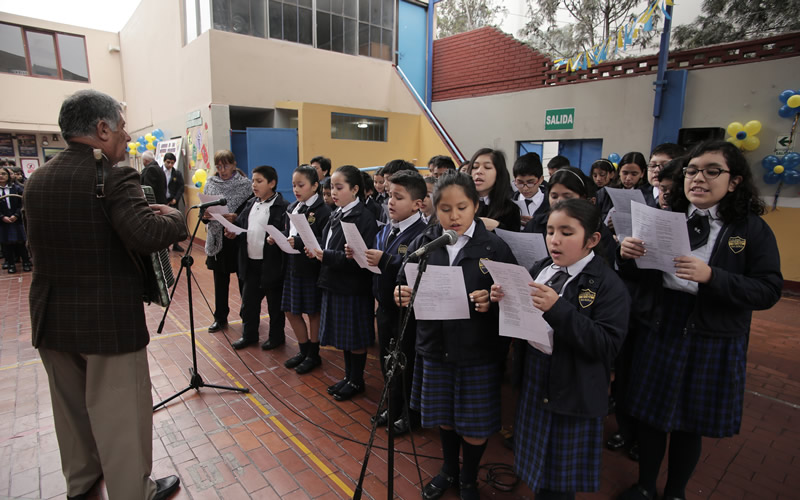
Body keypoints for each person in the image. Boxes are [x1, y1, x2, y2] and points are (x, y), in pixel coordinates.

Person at [23, 89, 185, 500]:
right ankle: (133, 491)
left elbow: (35, 248)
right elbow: (146, 235)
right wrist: (176, 221)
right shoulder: (114, 175)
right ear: (101, 128)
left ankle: (81, 484)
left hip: (52, 316)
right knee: (121, 414)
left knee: (70, 411)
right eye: (123, 127)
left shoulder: (37, 181)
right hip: (109, 321)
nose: (127, 137)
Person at [616, 141, 782, 500]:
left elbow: (768, 289)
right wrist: (627, 255)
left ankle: (676, 492)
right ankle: (645, 486)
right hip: (662, 323)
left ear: (734, 181)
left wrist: (712, 277)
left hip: (712, 333)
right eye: (691, 171)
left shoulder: (750, 229)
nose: (698, 179)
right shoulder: (667, 218)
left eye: (712, 171)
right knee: (650, 415)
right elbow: (644, 276)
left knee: (689, 423)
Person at [491, 198, 630, 500]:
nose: (555, 240)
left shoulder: (608, 285)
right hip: (537, 377)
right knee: (536, 465)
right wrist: (504, 296)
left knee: (559, 479)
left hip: (573, 389)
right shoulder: (542, 268)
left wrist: (558, 309)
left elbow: (607, 345)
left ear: (592, 239)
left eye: (567, 232)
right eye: (551, 230)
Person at [395, 172, 516, 500]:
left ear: (475, 206)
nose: (454, 215)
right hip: (435, 346)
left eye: (462, 207)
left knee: (474, 424)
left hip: (477, 351)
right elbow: (403, 276)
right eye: (445, 208)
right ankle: (448, 468)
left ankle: (467, 479)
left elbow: (516, 299)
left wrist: (492, 300)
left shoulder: (494, 247)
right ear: (435, 209)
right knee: (445, 417)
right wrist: (402, 293)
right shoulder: (427, 242)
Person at [363, 170, 428, 435]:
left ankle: (410, 414)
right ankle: (393, 404)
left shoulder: (422, 235)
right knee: (387, 360)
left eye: (398, 197)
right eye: (389, 195)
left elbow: (416, 267)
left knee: (406, 363)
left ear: (417, 204)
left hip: (408, 313)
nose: (390, 201)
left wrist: (385, 260)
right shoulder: (389, 229)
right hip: (385, 306)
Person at [307, 165, 379, 402]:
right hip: (335, 281)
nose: (334, 193)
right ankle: (349, 377)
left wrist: (325, 255)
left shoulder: (363, 218)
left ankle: (357, 380)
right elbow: (329, 243)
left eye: (340, 188)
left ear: (355, 189)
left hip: (353, 287)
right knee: (344, 338)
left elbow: (360, 259)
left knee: (354, 338)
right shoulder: (337, 212)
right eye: (332, 188)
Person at [224, 165, 289, 350]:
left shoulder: (282, 207)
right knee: (249, 303)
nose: (254, 185)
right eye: (253, 181)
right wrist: (233, 233)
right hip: (250, 262)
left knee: (274, 306)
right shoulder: (252, 203)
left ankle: (276, 337)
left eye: (259, 181)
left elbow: (287, 232)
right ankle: (249, 335)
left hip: (271, 263)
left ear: (272, 183)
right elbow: (241, 225)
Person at [280, 165, 331, 374]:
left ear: (315, 186)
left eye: (301, 185)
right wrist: (280, 237)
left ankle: (313, 354)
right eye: (293, 185)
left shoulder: (323, 211)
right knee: (291, 310)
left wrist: (299, 242)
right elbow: (289, 232)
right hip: (292, 266)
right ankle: (303, 350)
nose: (296, 189)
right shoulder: (293, 207)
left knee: (313, 312)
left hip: (311, 268)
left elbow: (324, 240)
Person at [203, 150, 253, 333]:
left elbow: (249, 212)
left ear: (234, 164)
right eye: (218, 166)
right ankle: (220, 317)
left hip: (238, 239)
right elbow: (204, 212)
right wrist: (206, 216)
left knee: (243, 281)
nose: (222, 170)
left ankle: (247, 316)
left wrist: (237, 217)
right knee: (220, 281)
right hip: (218, 239)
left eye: (225, 165)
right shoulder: (211, 184)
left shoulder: (246, 185)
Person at [467, 148, 521, 232]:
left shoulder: (510, 210)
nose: (479, 171)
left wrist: (498, 227)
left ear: (499, 173)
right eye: (475, 167)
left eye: (487, 167)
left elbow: (513, 242)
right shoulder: (460, 204)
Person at [512, 152, 548, 230]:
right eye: (520, 183)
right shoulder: (509, 202)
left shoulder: (550, 203)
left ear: (541, 179)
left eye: (530, 182)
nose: (525, 188)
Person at [162, 152, 186, 251]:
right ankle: (165, 245)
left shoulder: (176, 173)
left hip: (173, 201)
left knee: (175, 222)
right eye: (168, 162)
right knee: (163, 223)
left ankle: (176, 244)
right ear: (164, 161)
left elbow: (181, 187)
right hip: (163, 201)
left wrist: (175, 198)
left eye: (172, 163)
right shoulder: (159, 172)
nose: (170, 165)